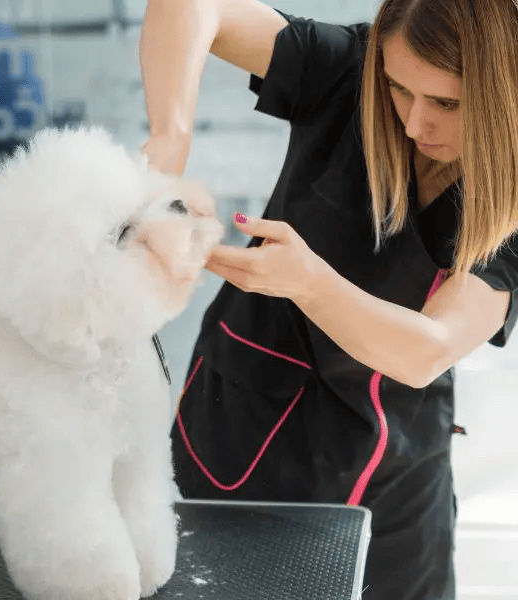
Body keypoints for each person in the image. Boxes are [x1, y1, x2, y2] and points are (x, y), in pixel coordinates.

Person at [139, 1, 518, 598]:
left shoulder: (510, 203)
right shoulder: (350, 73)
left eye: (447, 103)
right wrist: (171, 133)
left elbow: (427, 351)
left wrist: (308, 282)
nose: (416, 123)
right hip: (250, 425)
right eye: (399, 89)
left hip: (398, 470)